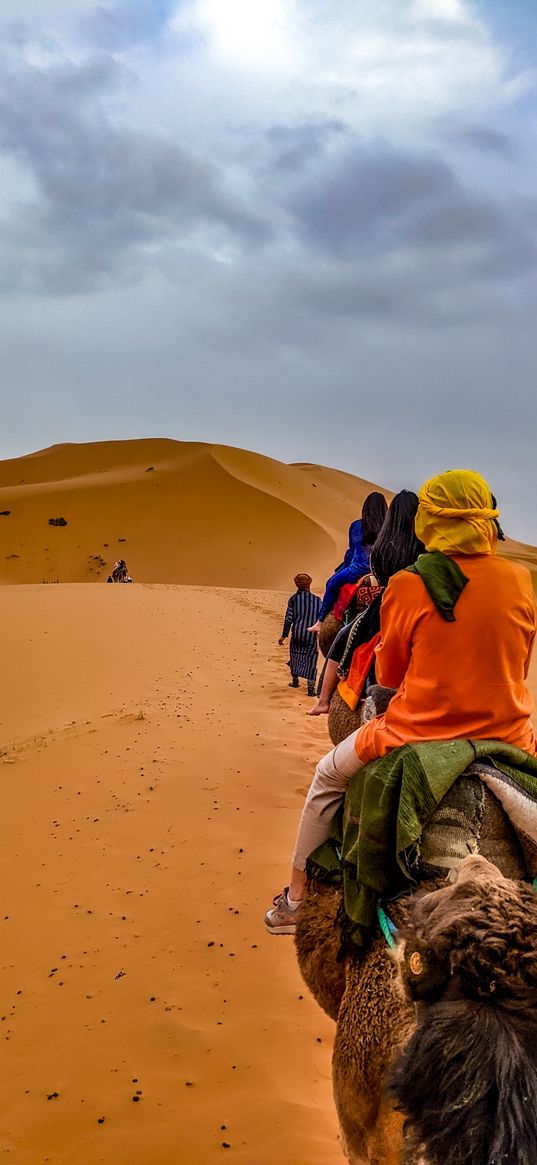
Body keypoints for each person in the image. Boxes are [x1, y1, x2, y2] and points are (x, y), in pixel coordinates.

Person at [265, 469, 536, 934]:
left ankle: (295, 900)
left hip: (416, 731)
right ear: (487, 519)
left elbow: (389, 676)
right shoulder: (520, 578)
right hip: (510, 735)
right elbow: (521, 662)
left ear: (431, 522)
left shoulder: (408, 583)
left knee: (327, 776)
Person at [307, 489, 424, 716]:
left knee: (344, 637)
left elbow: (377, 570)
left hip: (391, 600)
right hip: (422, 602)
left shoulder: (384, 544)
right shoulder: (425, 541)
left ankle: (323, 700)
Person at [308, 492, 388, 633]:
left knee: (331, 583)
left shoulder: (357, 526)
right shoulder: (388, 527)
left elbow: (352, 549)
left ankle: (320, 622)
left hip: (357, 570)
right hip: (383, 570)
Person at [279, 574, 321, 697]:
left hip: (297, 634)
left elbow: (289, 618)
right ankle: (311, 689)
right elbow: (322, 618)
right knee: (311, 660)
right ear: (309, 584)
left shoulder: (293, 599)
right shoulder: (318, 601)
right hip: (311, 635)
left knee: (295, 656)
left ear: (296, 584)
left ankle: (295, 681)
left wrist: (284, 635)